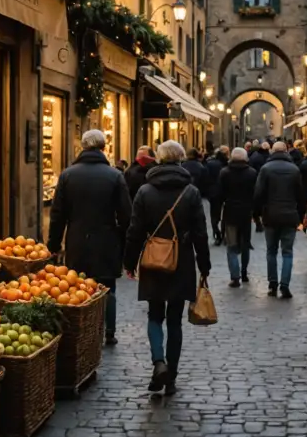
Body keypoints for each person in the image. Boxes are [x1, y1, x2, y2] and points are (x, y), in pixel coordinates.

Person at [124, 140, 211, 395]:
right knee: (175, 320)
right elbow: (200, 234)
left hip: (153, 260)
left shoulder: (145, 191)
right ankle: (170, 377)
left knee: (154, 314)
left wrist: (129, 262)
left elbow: (135, 231)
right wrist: (204, 265)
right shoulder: (191, 192)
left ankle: (158, 362)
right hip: (181, 260)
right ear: (181, 159)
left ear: (159, 160)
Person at [48, 129, 132, 346]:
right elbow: (126, 215)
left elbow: (58, 214)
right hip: (106, 239)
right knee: (108, 287)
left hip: (77, 240)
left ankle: (82, 328)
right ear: (103, 147)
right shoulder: (115, 175)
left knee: (77, 285)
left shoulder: (68, 175)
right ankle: (109, 331)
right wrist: (125, 243)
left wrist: (53, 245)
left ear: (82, 147)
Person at [253, 141, 304, 299]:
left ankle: (272, 283)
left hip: (271, 215)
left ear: (272, 152)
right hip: (290, 215)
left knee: (271, 251)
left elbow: (258, 194)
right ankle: (285, 285)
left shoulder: (266, 169)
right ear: (286, 151)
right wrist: (300, 217)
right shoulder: (294, 169)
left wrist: (257, 214)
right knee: (287, 252)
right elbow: (301, 196)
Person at [218, 147, 258, 287]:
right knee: (245, 244)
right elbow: (255, 194)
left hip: (230, 212)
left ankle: (235, 277)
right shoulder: (252, 173)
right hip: (246, 213)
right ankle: (244, 272)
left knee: (232, 246)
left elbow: (220, 194)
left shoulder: (224, 173)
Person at [204, 145, 229, 244]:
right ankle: (224, 234)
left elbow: (205, 178)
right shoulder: (227, 164)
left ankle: (216, 234)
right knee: (226, 214)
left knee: (214, 215)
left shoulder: (210, 163)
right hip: (226, 192)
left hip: (213, 192)